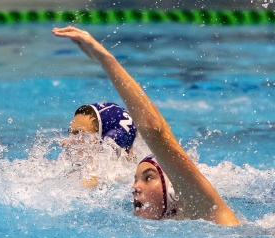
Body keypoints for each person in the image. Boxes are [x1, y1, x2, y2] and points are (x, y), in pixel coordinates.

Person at [52, 26, 239, 226]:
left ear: (175, 189)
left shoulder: (208, 215)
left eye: (148, 178)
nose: (135, 188)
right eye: (136, 179)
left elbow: (156, 131)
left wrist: (107, 61)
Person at [64, 102, 137, 187]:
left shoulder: (119, 173)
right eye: (71, 132)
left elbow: (92, 181)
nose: (69, 141)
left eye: (80, 133)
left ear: (102, 139)